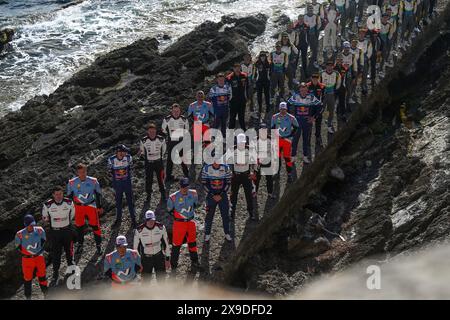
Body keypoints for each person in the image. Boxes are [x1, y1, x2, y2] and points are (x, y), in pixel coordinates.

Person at [67, 163, 103, 255]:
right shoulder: (71, 182)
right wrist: (69, 210)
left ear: (86, 171)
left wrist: (99, 206)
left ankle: (98, 245)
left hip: (91, 206)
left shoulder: (93, 181)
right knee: (79, 227)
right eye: (80, 172)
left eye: (84, 172)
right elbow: (69, 197)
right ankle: (80, 245)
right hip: (78, 207)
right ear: (77, 173)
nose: (82, 174)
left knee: (95, 226)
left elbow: (98, 194)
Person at [42, 186, 75, 286]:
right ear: (53, 195)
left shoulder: (69, 202)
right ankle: (55, 273)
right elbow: (45, 218)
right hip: (55, 233)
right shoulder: (47, 205)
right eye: (56, 194)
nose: (58, 196)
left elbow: (72, 214)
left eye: (60, 194)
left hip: (67, 231)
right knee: (56, 254)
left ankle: (71, 269)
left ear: (62, 193)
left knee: (69, 251)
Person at [15, 215, 48, 299]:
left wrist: (38, 252)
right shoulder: (19, 234)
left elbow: (44, 242)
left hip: (39, 257)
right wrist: (27, 254)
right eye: (30, 225)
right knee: (27, 279)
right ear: (25, 225)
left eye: (33, 224)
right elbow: (17, 247)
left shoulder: (40, 230)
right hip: (27, 260)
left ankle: (46, 294)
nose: (32, 226)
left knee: (42, 276)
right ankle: (28, 297)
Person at [288, 82, 321, 164]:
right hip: (297, 121)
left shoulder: (311, 97)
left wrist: (314, 117)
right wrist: (291, 115)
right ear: (299, 90)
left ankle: (305, 156)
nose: (303, 92)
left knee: (306, 140)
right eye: (302, 90)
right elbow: (287, 104)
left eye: (305, 90)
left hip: (307, 121)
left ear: (307, 90)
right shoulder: (295, 96)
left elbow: (320, 106)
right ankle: (293, 156)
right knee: (295, 139)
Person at [133, 210, 171, 282]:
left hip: (159, 257)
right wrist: (138, 262)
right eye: (148, 220)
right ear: (145, 220)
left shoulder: (161, 227)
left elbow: (166, 244)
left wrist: (167, 259)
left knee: (162, 280)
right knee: (145, 282)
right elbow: (135, 248)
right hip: (146, 259)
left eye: (152, 220)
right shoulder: (139, 230)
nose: (151, 222)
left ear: (155, 218)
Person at [201, 160, 233, 242]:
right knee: (209, 216)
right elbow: (204, 183)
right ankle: (207, 234)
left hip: (223, 195)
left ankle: (227, 233)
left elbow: (228, 182)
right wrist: (213, 195)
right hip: (211, 196)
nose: (216, 162)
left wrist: (221, 194)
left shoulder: (226, 168)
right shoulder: (206, 168)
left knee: (225, 215)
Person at [108, 144, 136, 229]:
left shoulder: (128, 158)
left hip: (127, 183)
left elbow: (131, 168)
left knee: (130, 201)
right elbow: (110, 171)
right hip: (118, 185)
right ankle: (118, 219)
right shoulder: (111, 160)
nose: (126, 153)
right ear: (119, 152)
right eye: (124, 151)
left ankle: (133, 219)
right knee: (118, 203)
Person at [229, 133, 257, 220]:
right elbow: (227, 161)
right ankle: (231, 213)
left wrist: (254, 173)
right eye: (240, 142)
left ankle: (251, 212)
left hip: (246, 175)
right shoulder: (232, 149)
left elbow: (255, 162)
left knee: (249, 195)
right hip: (235, 176)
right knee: (233, 196)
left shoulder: (250, 150)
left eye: (243, 142)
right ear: (236, 142)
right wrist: (229, 171)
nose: (242, 144)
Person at [271, 102, 299, 183]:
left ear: (286, 109)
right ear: (279, 109)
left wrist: (291, 135)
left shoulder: (291, 117)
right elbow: (272, 128)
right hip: (278, 139)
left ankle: (289, 174)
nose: (283, 111)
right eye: (281, 109)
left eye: (284, 109)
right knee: (277, 158)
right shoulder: (274, 117)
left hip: (287, 140)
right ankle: (277, 172)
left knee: (287, 158)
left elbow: (296, 127)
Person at [139, 122, 167, 203]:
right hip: (149, 163)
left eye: (153, 131)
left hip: (159, 162)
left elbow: (164, 149)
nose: (152, 133)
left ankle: (163, 194)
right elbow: (142, 151)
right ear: (148, 131)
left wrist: (159, 157)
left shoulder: (161, 139)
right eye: (150, 131)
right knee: (148, 179)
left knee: (161, 179)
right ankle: (148, 196)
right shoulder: (143, 140)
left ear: (156, 131)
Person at [162, 103, 190, 181]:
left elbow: (187, 130)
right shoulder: (167, 119)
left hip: (181, 140)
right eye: (174, 111)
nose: (176, 113)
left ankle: (187, 174)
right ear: (171, 111)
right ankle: (168, 176)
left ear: (180, 111)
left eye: (177, 111)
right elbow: (163, 130)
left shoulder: (184, 119)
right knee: (170, 159)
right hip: (172, 140)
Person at [320, 60, 342, 134]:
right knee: (320, 110)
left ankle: (329, 125)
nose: (329, 67)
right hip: (323, 95)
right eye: (328, 66)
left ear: (333, 66)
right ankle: (318, 124)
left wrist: (335, 90)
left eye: (331, 66)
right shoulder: (321, 73)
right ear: (326, 66)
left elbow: (339, 83)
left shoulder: (337, 74)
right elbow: (319, 83)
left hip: (332, 95)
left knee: (331, 111)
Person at [255, 122, 275, 198]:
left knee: (269, 179)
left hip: (268, 162)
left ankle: (270, 193)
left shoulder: (270, 138)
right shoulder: (255, 139)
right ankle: (254, 192)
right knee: (256, 179)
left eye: (264, 130)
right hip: (258, 162)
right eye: (261, 130)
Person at [208, 73, 232, 138]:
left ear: (224, 79)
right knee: (216, 124)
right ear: (217, 80)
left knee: (224, 124)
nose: (221, 81)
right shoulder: (213, 89)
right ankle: (213, 137)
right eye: (219, 80)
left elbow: (230, 97)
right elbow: (210, 100)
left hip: (225, 109)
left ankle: (223, 136)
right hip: (217, 110)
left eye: (222, 79)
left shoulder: (227, 87)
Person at [306, 73, 326, 152]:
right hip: (310, 108)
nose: (315, 80)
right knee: (309, 124)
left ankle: (318, 138)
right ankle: (308, 141)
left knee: (318, 124)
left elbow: (323, 97)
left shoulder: (322, 86)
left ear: (318, 79)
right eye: (313, 79)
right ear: (311, 79)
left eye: (316, 79)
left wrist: (322, 106)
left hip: (318, 107)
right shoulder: (307, 86)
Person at [227, 63, 248, 131]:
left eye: (238, 67)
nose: (237, 69)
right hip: (233, 100)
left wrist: (247, 97)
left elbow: (247, 87)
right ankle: (230, 134)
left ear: (240, 68)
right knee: (232, 117)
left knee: (241, 117)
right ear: (233, 68)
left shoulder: (244, 76)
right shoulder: (229, 77)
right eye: (235, 67)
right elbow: (227, 89)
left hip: (242, 100)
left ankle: (244, 131)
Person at [253, 51, 271, 116]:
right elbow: (254, 73)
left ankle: (268, 107)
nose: (262, 57)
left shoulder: (268, 63)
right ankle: (260, 108)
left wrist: (270, 79)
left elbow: (270, 72)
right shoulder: (256, 63)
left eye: (263, 56)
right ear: (259, 57)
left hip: (266, 81)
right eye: (261, 56)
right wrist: (254, 81)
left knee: (267, 95)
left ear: (265, 57)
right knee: (259, 96)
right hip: (259, 81)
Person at [342, 41, 359, 105]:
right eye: (345, 47)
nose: (347, 49)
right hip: (342, 73)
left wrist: (354, 75)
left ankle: (349, 98)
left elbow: (354, 65)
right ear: (343, 47)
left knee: (349, 86)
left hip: (349, 72)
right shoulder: (340, 55)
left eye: (348, 48)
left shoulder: (352, 55)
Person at [294, 15, 310, 79]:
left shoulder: (306, 26)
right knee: (296, 59)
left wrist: (308, 43)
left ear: (303, 19)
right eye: (299, 19)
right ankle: (294, 73)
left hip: (304, 44)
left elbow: (308, 35)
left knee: (304, 58)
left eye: (302, 18)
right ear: (298, 19)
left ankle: (305, 72)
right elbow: (293, 36)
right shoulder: (295, 26)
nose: (301, 20)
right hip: (297, 45)